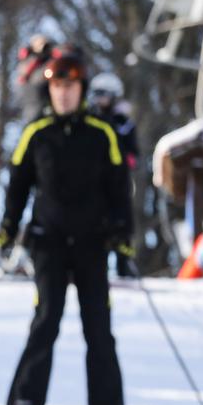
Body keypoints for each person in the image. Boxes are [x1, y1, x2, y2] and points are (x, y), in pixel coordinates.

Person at [0, 45, 133, 405]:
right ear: (50, 90)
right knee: (46, 322)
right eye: (58, 87)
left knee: (99, 327)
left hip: (92, 243)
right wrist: (8, 228)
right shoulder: (36, 132)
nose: (65, 93)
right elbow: (18, 185)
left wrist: (123, 232)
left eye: (71, 86)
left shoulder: (102, 133)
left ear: (82, 90)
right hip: (48, 242)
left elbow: (120, 187)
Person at [88, 72, 142, 278]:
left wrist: (122, 160)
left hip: (119, 182)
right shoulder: (89, 121)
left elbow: (134, 154)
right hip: (93, 182)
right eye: (96, 94)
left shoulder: (124, 124)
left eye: (103, 94)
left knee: (122, 220)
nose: (99, 99)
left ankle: (124, 263)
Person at [14, 34, 56, 123]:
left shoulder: (52, 61)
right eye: (39, 44)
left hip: (47, 108)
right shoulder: (27, 62)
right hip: (31, 108)